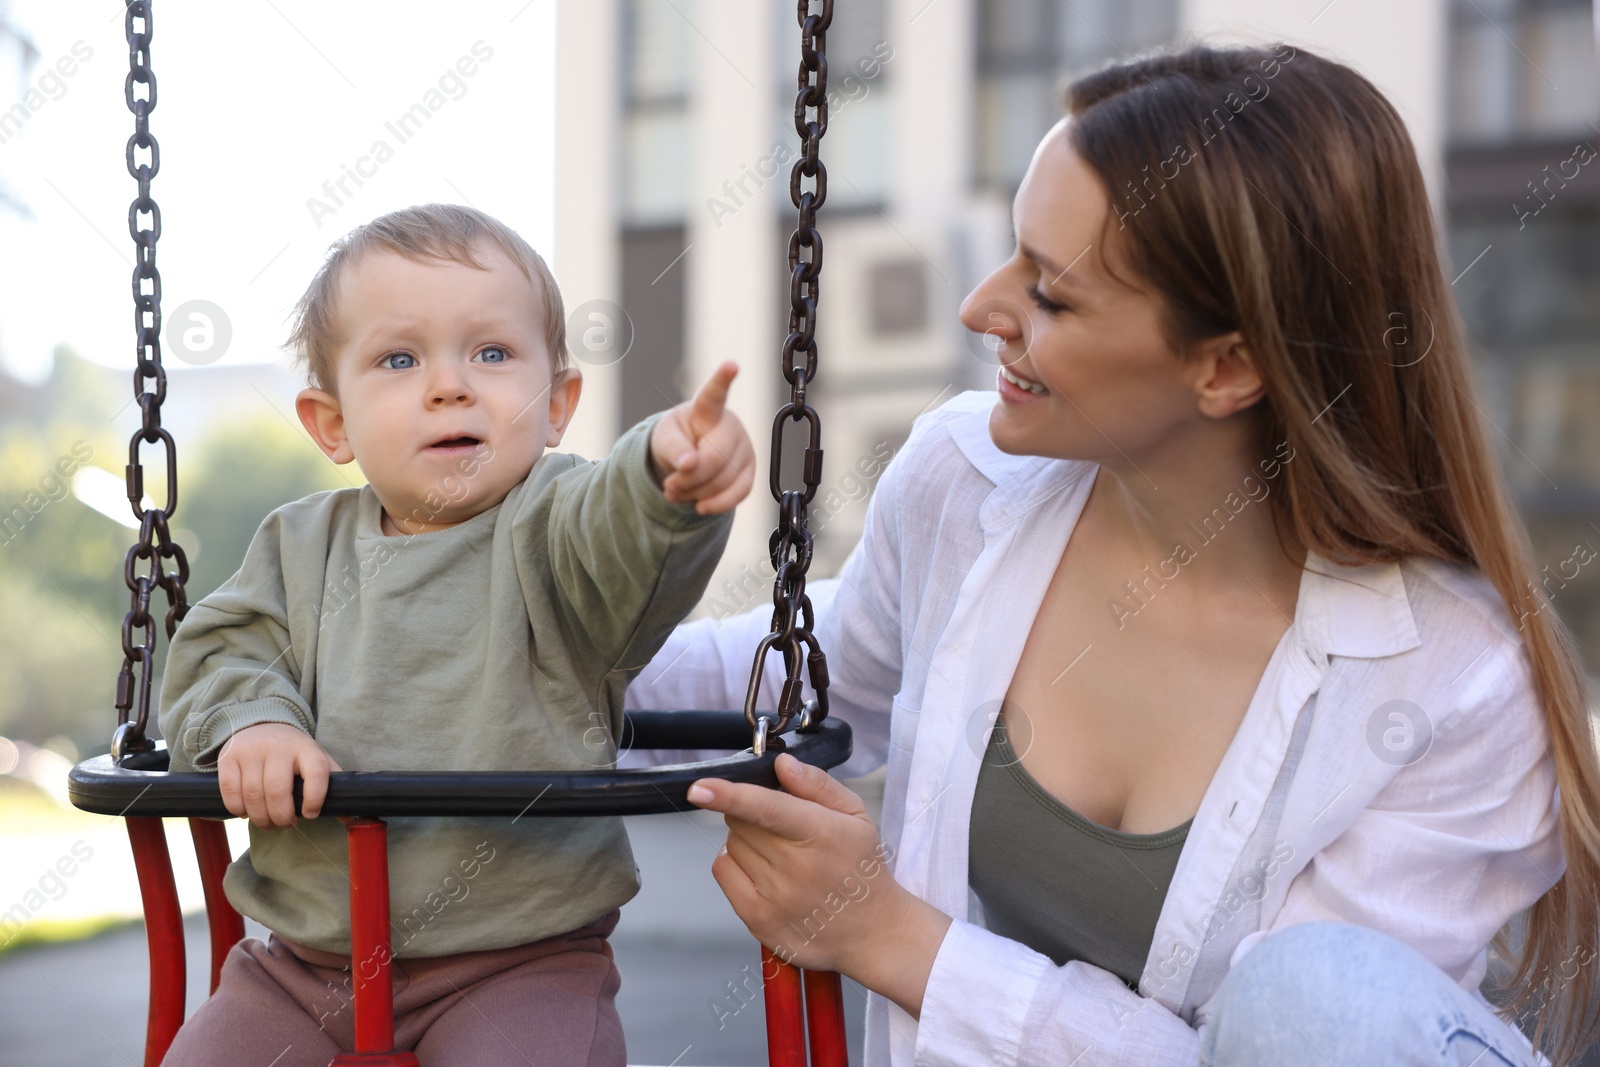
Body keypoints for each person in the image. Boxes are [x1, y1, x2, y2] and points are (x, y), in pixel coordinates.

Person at [623, 42, 1600, 1067]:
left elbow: (1277, 1051)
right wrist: (495, 610)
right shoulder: (962, 485)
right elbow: (796, 681)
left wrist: (895, 937)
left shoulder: (1454, 682)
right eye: (1014, 254)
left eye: (1049, 295)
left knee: (1316, 993)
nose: (981, 308)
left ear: (1226, 367)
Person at [157, 203, 756, 1066]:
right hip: (302, 963)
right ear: (331, 423)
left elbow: (621, 534)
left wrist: (663, 474)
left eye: (492, 352)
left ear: (556, 406)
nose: (450, 384)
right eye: (400, 358)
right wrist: (256, 721)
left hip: (521, 960)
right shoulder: (298, 547)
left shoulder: (553, 527)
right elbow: (222, 649)